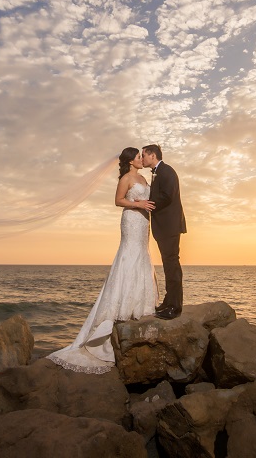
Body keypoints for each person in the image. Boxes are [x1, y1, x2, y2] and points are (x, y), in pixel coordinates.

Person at [46, 147, 158, 374]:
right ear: (130, 160)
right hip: (131, 220)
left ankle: (139, 303)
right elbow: (118, 201)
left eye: (141, 156)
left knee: (142, 256)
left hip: (143, 223)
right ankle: (119, 308)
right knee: (129, 255)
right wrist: (136, 204)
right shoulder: (126, 178)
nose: (140, 159)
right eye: (138, 156)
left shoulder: (143, 177)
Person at [141, 144, 186, 320]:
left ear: (152, 155)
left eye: (144, 155)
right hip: (165, 227)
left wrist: (147, 203)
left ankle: (175, 307)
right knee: (169, 265)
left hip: (170, 226)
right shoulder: (158, 172)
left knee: (172, 265)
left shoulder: (167, 171)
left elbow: (167, 196)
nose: (142, 158)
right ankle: (169, 301)